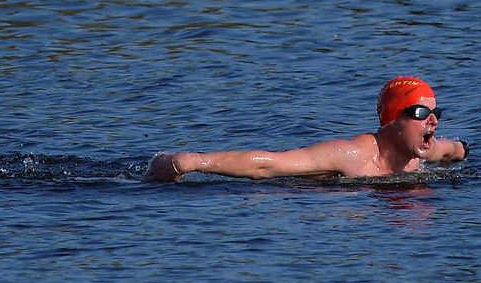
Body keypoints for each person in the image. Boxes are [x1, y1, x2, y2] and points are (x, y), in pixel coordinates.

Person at [143, 76, 469, 182]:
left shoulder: (425, 152)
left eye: (435, 112)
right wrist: (192, 162)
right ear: (393, 119)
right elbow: (267, 164)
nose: (433, 120)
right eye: (421, 112)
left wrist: (464, 150)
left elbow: (457, 150)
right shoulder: (353, 155)